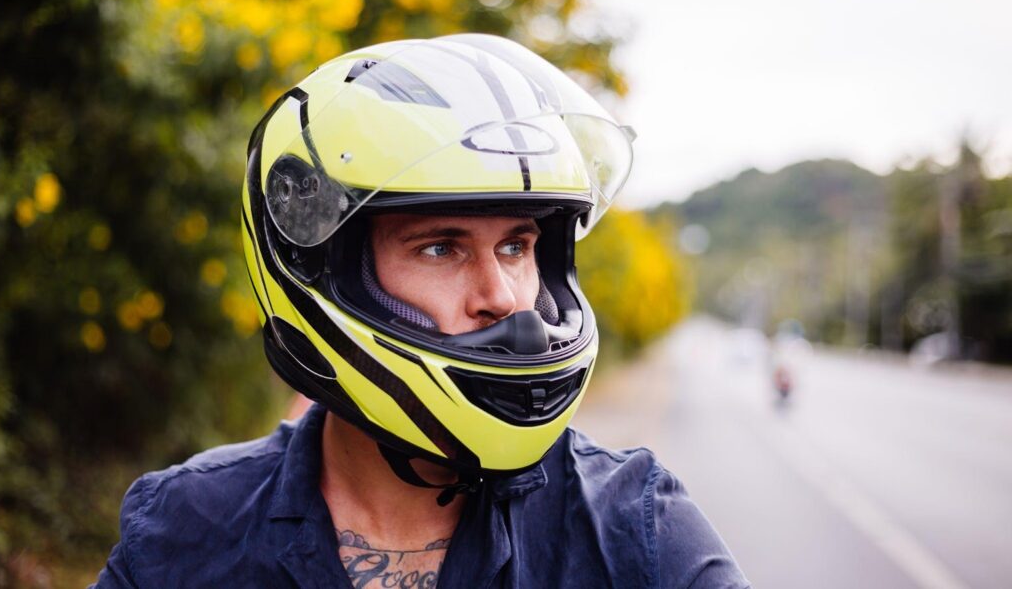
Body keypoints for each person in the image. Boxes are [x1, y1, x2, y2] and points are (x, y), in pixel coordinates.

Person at [93, 34, 748, 588]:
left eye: (518, 245)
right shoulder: (183, 532)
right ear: (324, 267)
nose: (504, 296)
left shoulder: (636, 530)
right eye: (441, 247)